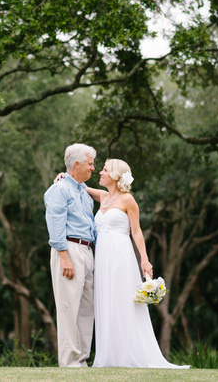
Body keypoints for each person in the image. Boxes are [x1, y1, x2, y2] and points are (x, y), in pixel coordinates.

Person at [55, 159, 188, 369]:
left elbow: (136, 231)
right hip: (102, 257)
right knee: (105, 301)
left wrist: (144, 260)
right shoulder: (103, 197)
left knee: (123, 301)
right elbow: (79, 185)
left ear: (116, 175)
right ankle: (109, 355)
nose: (100, 172)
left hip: (120, 256)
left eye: (105, 170)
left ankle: (130, 353)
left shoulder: (128, 200)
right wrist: (64, 176)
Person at [43, 143, 97, 367]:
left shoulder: (83, 192)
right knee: (69, 308)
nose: (93, 168)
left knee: (86, 309)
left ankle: (82, 360)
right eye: (90, 164)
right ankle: (69, 363)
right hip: (69, 249)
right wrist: (64, 257)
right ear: (77, 164)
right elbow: (55, 226)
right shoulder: (59, 189)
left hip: (87, 250)